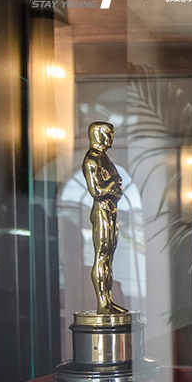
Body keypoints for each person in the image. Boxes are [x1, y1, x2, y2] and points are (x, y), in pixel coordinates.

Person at [83, 121, 128, 315]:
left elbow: (118, 190)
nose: (111, 138)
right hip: (101, 210)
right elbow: (98, 191)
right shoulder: (92, 160)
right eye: (107, 134)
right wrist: (113, 183)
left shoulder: (104, 159)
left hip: (111, 210)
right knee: (102, 256)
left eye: (111, 134)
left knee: (108, 258)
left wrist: (114, 185)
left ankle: (108, 300)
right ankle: (103, 302)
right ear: (97, 135)